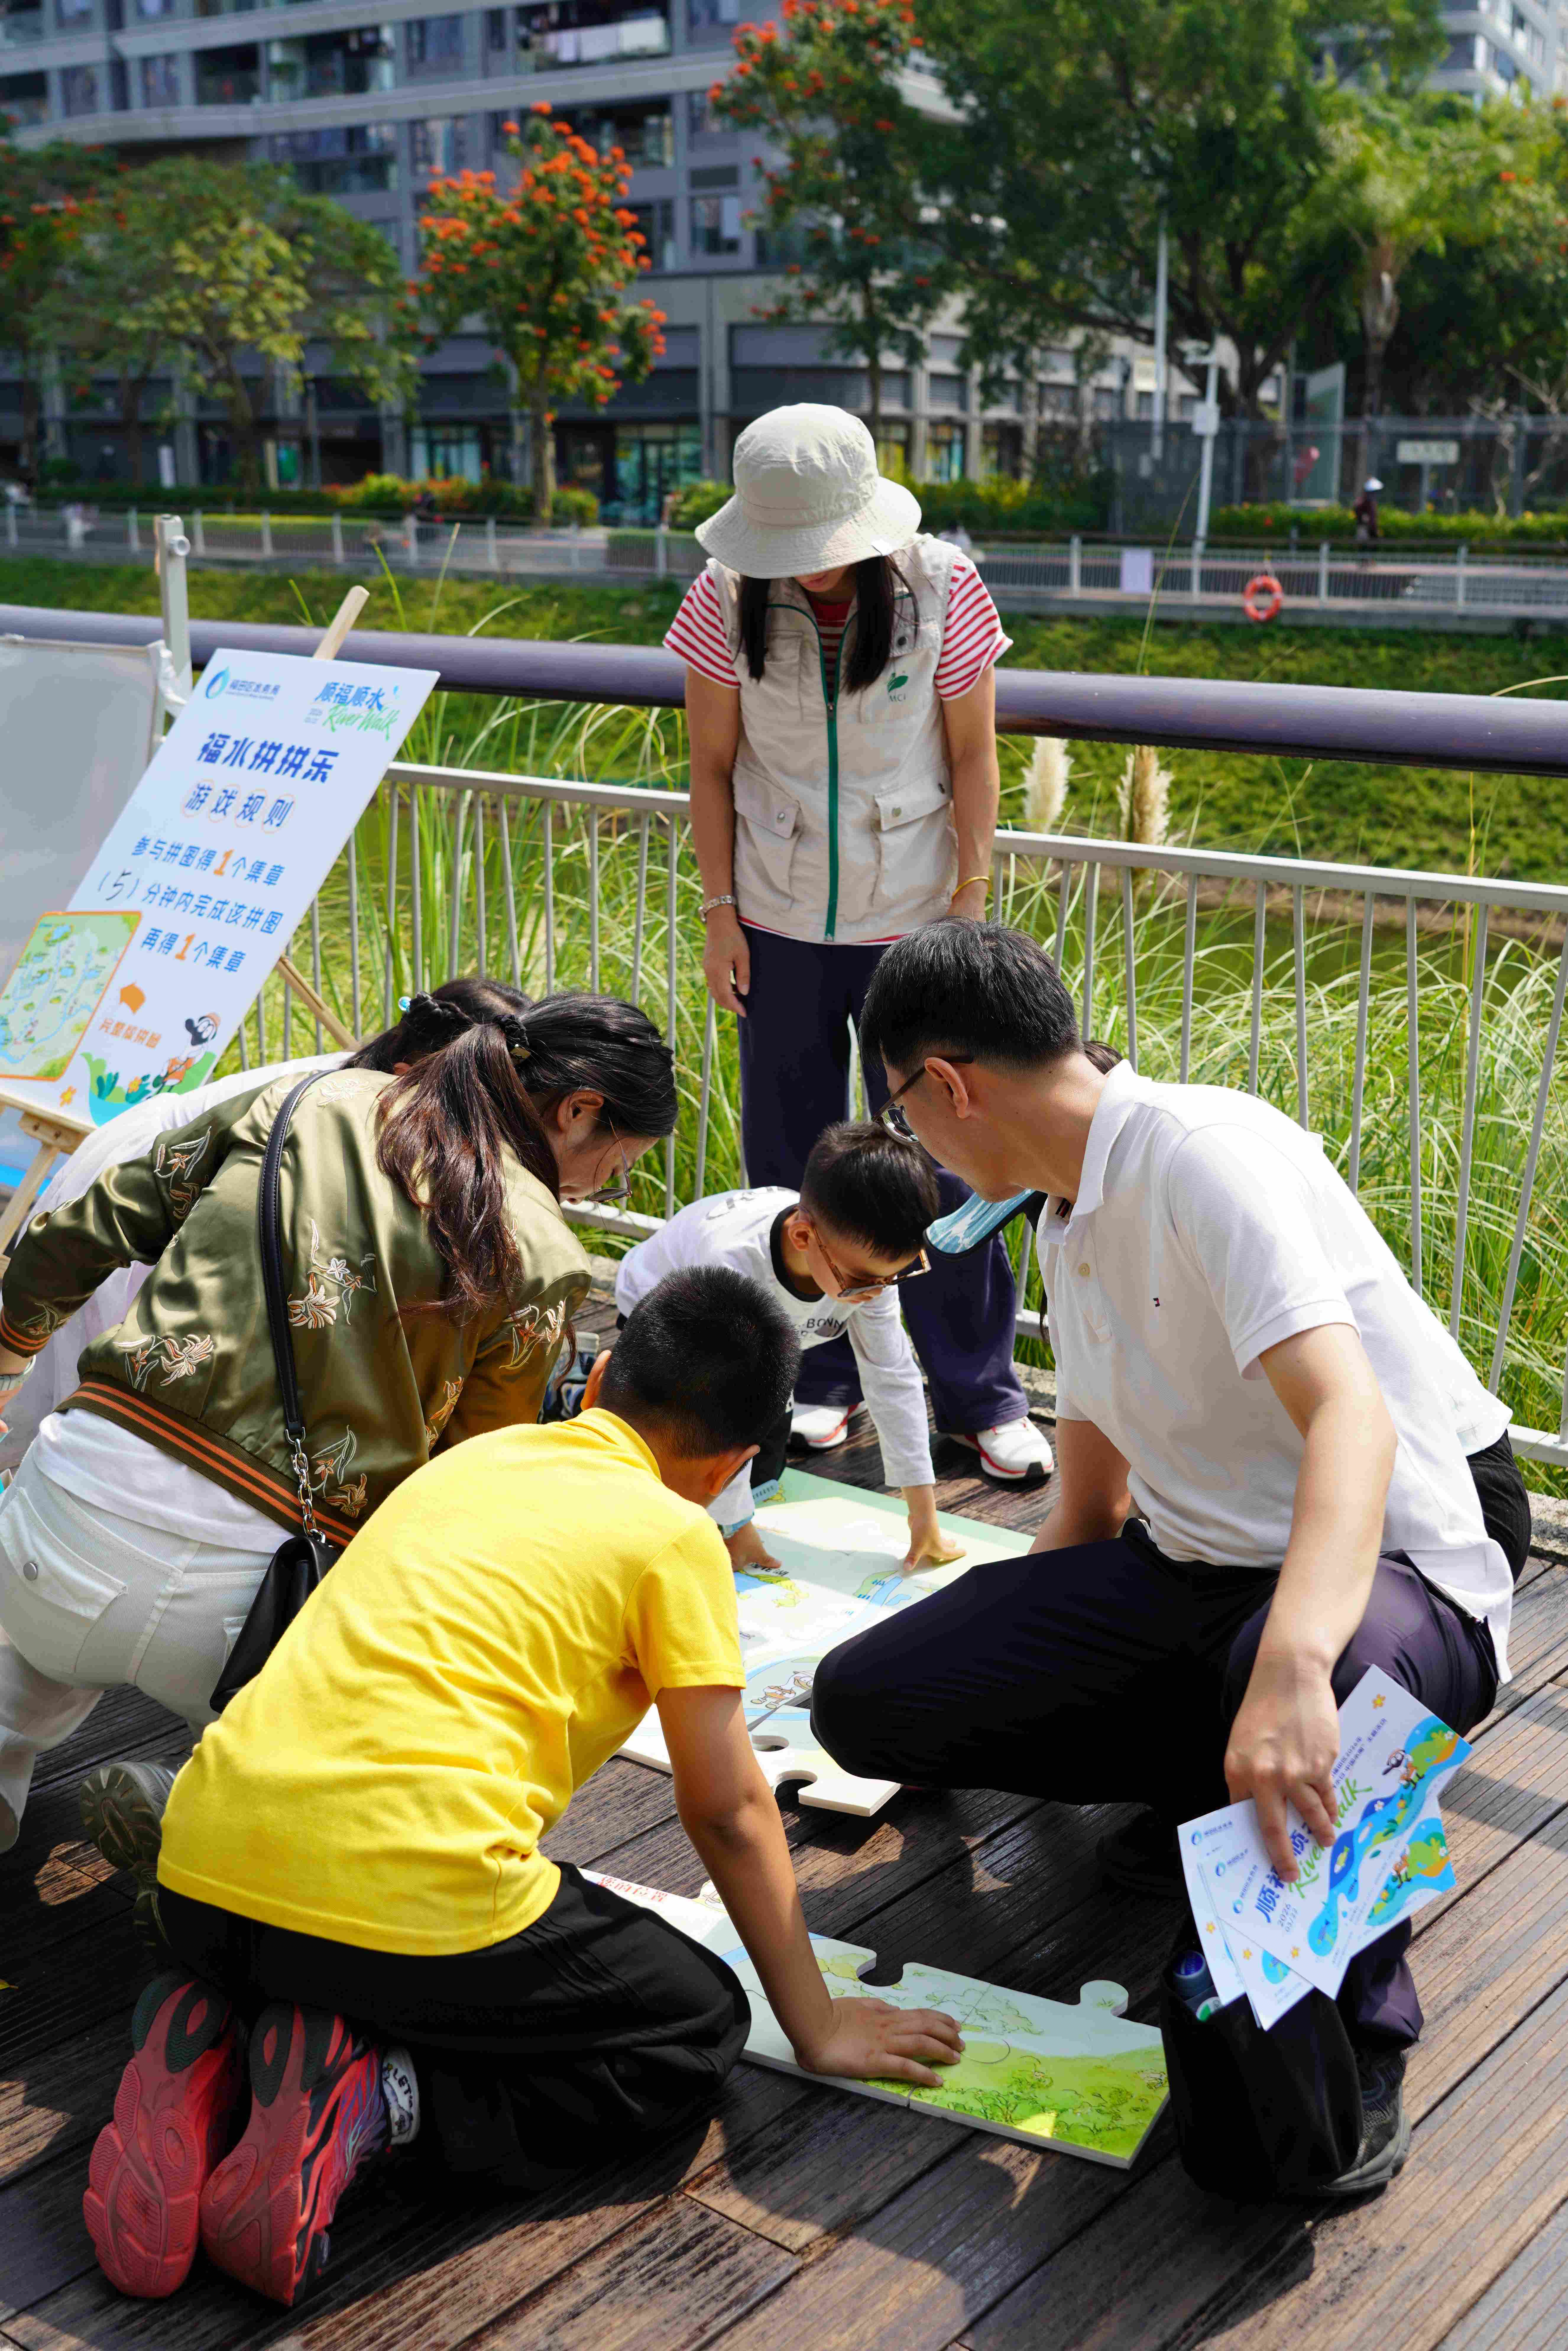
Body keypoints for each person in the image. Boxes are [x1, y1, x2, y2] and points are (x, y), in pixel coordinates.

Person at [808, 921, 1533, 2196]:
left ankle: (1360, 2023)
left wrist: (1299, 1666)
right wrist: (997, 1635)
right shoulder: (1062, 1215)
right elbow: (1088, 1508)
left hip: (1400, 1553)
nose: (918, 1143)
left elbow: (1351, 1424)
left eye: (905, 1112)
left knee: (1256, 2133)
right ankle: (1219, 1770)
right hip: (1200, 1566)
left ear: (948, 1085)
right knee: (867, 1699)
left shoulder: (1203, 1151)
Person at [83, 1267, 963, 2308]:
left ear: (596, 1382)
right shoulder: (675, 1534)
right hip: (403, 1911)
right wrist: (814, 2021)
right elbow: (726, 1808)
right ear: (733, 1463)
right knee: (692, 2029)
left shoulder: (470, 1462)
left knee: (326, 1935)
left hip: (198, 1878)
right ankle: (375, 2103)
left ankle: (212, 2035)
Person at [0, 985, 676, 1867]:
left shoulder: (310, 1099)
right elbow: (472, 1484)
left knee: (43, 1652)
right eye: (617, 1163)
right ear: (578, 1109)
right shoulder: (543, 1250)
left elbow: (82, 1233)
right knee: (354, 1772)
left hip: (53, 1523)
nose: (603, 1187)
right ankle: (206, 1832)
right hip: (248, 1616)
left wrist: (11, 1355)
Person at [667, 402, 1051, 1488]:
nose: (816, 573)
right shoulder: (723, 597)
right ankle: (820, 1375)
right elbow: (710, 767)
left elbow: (973, 757)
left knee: (947, 1158)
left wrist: (970, 901)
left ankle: (979, 1390)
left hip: (917, 921)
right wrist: (719, 911)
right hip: (779, 919)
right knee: (790, 1158)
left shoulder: (944, 588)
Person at [615, 1121, 963, 1575]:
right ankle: (609, 1397)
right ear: (803, 1238)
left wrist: (923, 1515)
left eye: (897, 1275)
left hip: (758, 1350)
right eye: (861, 1282)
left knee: (762, 1477)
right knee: (673, 1489)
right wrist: (737, 1532)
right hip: (668, 1331)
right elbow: (716, 1398)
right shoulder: (730, 1264)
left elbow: (892, 1377)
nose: (876, 1293)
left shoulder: (867, 1267)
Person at [1354, 478, 1383, 543]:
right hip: (1365, 530)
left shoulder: (1368, 502)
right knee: (1365, 548)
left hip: (1369, 530)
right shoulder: (1365, 502)